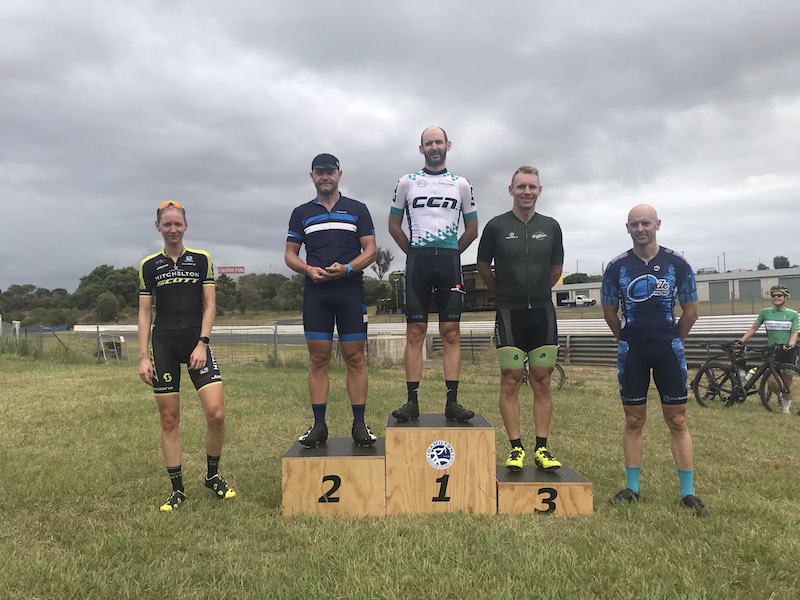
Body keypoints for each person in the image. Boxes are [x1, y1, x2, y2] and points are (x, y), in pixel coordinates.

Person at [601, 204, 708, 516]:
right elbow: (609, 311)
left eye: (646, 223)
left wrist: (673, 338)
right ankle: (632, 488)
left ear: (657, 224)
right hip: (632, 350)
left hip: (667, 349)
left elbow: (691, 311)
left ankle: (687, 492)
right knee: (634, 420)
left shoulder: (677, 263)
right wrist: (625, 338)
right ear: (627, 228)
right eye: (634, 224)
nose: (640, 229)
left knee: (677, 420)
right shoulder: (616, 267)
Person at [138, 200, 235, 511]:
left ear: (186, 226)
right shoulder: (148, 265)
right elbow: (144, 312)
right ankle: (177, 489)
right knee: (169, 419)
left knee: (216, 414)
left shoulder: (202, 259)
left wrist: (202, 343)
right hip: (164, 344)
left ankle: (212, 475)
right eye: (167, 224)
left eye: (177, 224)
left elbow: (210, 304)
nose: (173, 229)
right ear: (158, 227)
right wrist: (143, 356)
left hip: (196, 343)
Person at [285, 153, 378, 448]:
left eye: (330, 172)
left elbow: (371, 250)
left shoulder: (358, 209)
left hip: (350, 291)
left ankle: (359, 424)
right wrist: (307, 269)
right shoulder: (301, 213)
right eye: (319, 172)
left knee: (355, 358)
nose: (325, 176)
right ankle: (319, 425)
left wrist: (348, 268)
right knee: (318, 359)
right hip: (317, 294)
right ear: (312, 176)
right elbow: (289, 254)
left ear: (339, 174)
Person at [388, 126, 478, 422]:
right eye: (429, 143)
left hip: (449, 263)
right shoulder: (406, 182)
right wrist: (414, 253)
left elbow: (472, 229)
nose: (434, 147)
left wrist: (451, 253)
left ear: (448, 145)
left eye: (439, 142)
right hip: (419, 263)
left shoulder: (461, 184)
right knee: (415, 332)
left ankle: (452, 402)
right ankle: (411, 402)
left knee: (451, 332)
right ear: (421, 149)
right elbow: (393, 225)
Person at [477, 165, 564, 472]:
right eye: (521, 186)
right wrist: (502, 293)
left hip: (542, 312)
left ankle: (542, 448)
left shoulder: (551, 226)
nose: (527, 191)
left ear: (539, 191)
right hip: (508, 313)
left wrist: (537, 292)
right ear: (510, 189)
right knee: (511, 380)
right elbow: (483, 266)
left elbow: (556, 269)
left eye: (532, 187)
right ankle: (516, 448)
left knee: (542, 381)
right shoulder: (496, 226)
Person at [738, 285, 798, 413]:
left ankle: (786, 410)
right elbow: (754, 328)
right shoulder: (765, 312)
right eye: (773, 295)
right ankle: (780, 396)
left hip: (787, 351)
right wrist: (742, 340)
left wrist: (790, 344)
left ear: (785, 297)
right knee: (771, 383)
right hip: (772, 350)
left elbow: (794, 332)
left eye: (779, 295)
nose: (776, 297)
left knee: (787, 382)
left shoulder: (792, 314)